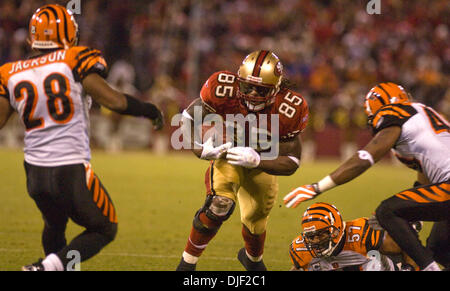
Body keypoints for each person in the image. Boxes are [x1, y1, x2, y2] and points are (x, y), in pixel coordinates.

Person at [0, 4, 163, 271]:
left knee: (55, 223)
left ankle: (54, 266)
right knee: (104, 227)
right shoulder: (74, 59)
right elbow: (114, 100)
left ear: (32, 37)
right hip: (69, 167)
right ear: (69, 36)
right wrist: (149, 110)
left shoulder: (10, 72)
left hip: (34, 171)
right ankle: (45, 268)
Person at [283, 82, 450, 271]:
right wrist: (412, 216)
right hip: (444, 187)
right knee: (439, 249)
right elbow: (424, 179)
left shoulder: (394, 113)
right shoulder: (422, 114)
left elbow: (367, 156)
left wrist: (318, 187)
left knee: (386, 211)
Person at [176, 50, 309, 271]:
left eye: (262, 89)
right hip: (229, 155)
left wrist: (258, 161)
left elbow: (293, 160)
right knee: (220, 204)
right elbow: (189, 115)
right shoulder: (223, 88)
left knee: (255, 222)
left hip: (262, 165)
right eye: (248, 87)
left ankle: (252, 261)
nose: (254, 94)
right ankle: (186, 264)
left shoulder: (289, 108)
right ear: (238, 80)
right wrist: (199, 149)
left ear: (277, 87)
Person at [289, 202, 418, 271]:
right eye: (311, 237)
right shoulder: (302, 250)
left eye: (321, 234)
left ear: (337, 229)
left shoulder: (361, 234)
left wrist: (408, 268)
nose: (316, 241)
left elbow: (408, 245)